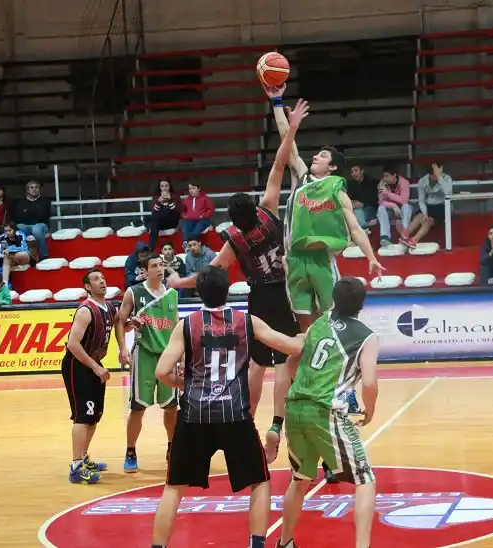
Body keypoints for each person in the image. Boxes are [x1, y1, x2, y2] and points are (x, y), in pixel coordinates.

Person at [168, 99, 309, 464]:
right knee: (286, 361)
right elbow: (280, 163)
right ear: (254, 208)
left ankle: (247, 418)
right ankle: (278, 422)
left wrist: (177, 282)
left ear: (232, 217)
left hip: (259, 297)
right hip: (286, 290)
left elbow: (209, 274)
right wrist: (291, 126)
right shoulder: (268, 212)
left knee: (257, 365)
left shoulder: (235, 240)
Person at [150, 266, 305, 548]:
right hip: (235, 415)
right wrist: (307, 334)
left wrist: (188, 386)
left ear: (199, 292)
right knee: (259, 482)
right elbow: (291, 347)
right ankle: (256, 544)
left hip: (194, 415)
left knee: (174, 488)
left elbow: (161, 372)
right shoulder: (248, 322)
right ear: (229, 289)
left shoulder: (186, 325)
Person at [265, 82, 384, 444]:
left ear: (332, 166)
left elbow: (353, 227)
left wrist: (371, 256)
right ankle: (305, 396)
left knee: (335, 328)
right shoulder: (301, 176)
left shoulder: (336, 189)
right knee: (306, 332)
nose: (314, 157)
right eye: (314, 154)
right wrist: (276, 102)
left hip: (319, 260)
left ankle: (341, 392)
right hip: (295, 262)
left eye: (320, 156)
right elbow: (287, 138)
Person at [276, 277, 379, 548]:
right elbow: (368, 381)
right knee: (365, 479)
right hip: (325, 411)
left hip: (295, 406)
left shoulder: (318, 323)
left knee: (300, 479)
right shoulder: (367, 337)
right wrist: (370, 409)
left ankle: (284, 542)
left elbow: (291, 361)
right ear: (361, 304)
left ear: (334, 299)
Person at [62, 268, 130, 484]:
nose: (101, 281)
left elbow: (119, 323)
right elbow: (72, 344)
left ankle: (83, 457)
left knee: (93, 415)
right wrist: (95, 367)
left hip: (93, 364)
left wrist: (123, 345)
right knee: (82, 417)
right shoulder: (85, 310)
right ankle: (75, 467)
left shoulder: (108, 307)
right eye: (95, 279)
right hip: (78, 365)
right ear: (87, 287)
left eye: (102, 278)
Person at [117, 253, 179, 472]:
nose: (159, 269)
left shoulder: (172, 294)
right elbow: (121, 323)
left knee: (171, 407)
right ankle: (131, 451)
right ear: (144, 271)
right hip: (143, 355)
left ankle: (173, 448)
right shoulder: (134, 292)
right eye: (154, 265)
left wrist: (181, 354)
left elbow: (176, 327)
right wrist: (123, 346)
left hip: (168, 357)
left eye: (161, 264)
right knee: (138, 407)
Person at [400, 162, 453, 248]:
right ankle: (404, 235)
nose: (434, 177)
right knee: (420, 216)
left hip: (442, 206)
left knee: (429, 220)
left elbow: (448, 193)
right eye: (432, 175)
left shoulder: (447, 178)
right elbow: (421, 200)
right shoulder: (423, 181)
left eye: (436, 174)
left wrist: (439, 177)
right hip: (428, 205)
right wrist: (424, 212)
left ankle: (414, 240)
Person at [13, 180, 51, 261]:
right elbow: (19, 217)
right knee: (18, 227)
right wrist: (34, 210)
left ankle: (44, 256)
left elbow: (43, 215)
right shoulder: (21, 202)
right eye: (32, 187)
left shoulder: (45, 201)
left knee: (36, 230)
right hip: (25, 226)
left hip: (41, 225)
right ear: (27, 190)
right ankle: (25, 257)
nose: (34, 189)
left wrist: (27, 211)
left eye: (36, 187)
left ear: (39, 189)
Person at [376, 165, 413, 247]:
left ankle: (404, 236)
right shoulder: (382, 184)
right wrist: (393, 206)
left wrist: (388, 194)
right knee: (381, 209)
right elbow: (381, 202)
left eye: (387, 176)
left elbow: (404, 200)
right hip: (392, 210)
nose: (384, 178)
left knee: (406, 207)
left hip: (403, 210)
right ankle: (385, 238)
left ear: (394, 175)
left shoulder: (404, 182)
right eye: (384, 176)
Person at [0, 221, 31, 287]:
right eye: (5, 231)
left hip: (22, 258)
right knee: (6, 258)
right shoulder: (1, 237)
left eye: (9, 230)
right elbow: (0, 251)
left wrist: (10, 249)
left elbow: (24, 248)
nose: (7, 233)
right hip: (11, 260)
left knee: (24, 253)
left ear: (14, 229)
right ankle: (5, 284)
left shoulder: (20, 234)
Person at [148, 180, 182, 250]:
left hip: (171, 222)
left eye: (166, 186)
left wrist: (169, 200)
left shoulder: (175, 196)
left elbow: (177, 212)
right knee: (154, 222)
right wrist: (158, 202)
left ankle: (144, 221)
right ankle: (151, 248)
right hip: (160, 223)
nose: (164, 188)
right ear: (159, 187)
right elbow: (154, 213)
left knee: (165, 212)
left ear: (170, 187)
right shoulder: (156, 197)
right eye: (162, 186)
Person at [347, 164, 380, 228]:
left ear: (362, 171)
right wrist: (352, 202)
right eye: (352, 172)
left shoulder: (371, 182)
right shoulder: (350, 184)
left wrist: (363, 204)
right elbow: (348, 197)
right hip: (356, 209)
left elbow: (374, 199)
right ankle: (364, 228)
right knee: (355, 211)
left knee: (364, 210)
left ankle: (362, 228)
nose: (354, 174)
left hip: (370, 208)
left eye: (356, 170)